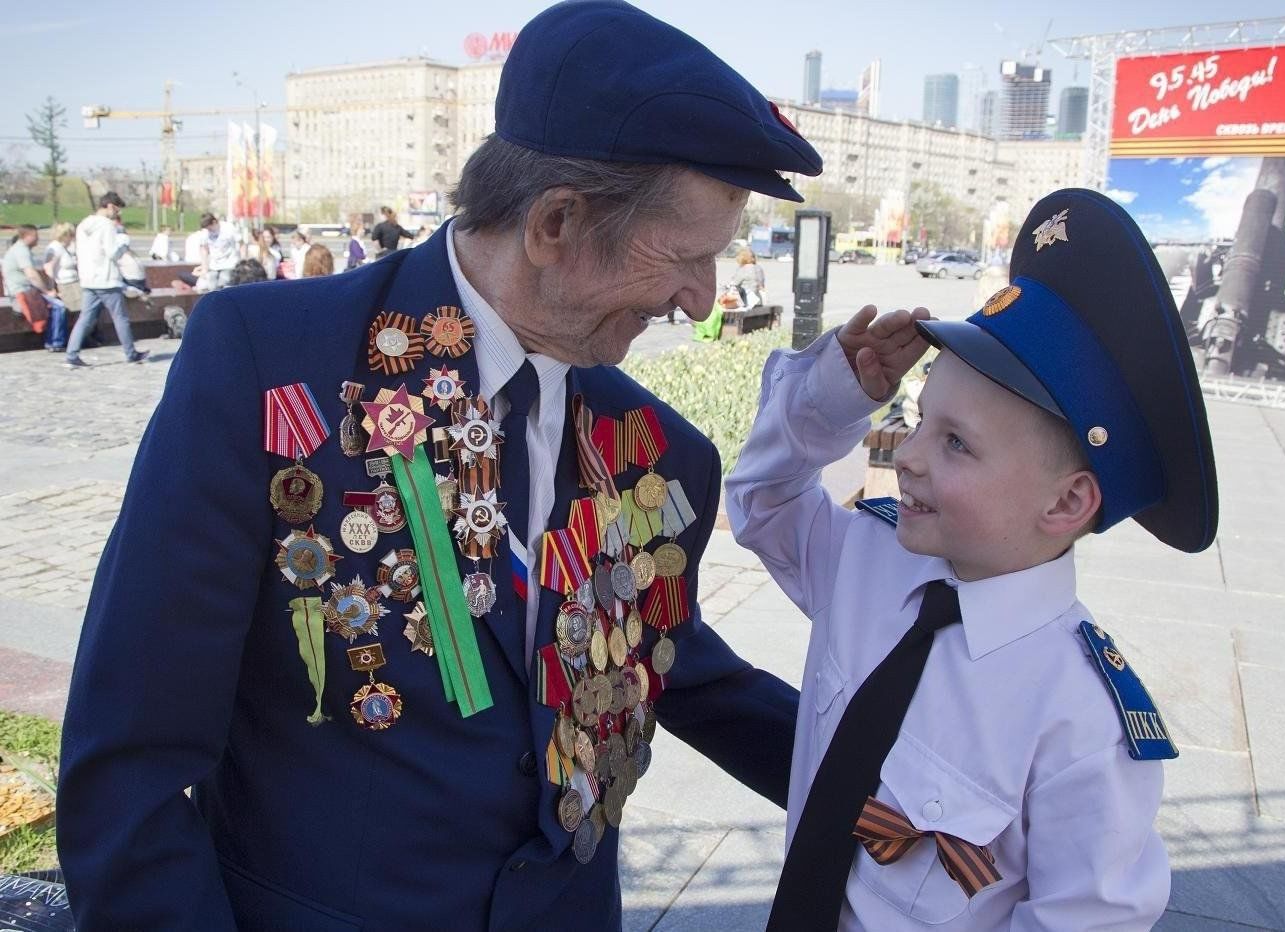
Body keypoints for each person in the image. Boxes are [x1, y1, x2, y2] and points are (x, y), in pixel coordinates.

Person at [56, 2, 823, 928]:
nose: (701, 301)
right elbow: (129, 761)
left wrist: (889, 789)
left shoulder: (661, 452)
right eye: (686, 258)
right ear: (557, 223)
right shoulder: (270, 365)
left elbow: (660, 656)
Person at [728, 188, 1219, 930]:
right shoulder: (869, 558)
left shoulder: (1080, 721)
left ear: (1065, 504)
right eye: (920, 420)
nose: (911, 456)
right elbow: (762, 500)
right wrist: (834, 394)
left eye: (957, 443)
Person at [65, 193, 148, 368]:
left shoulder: (83, 224)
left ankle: (72, 354)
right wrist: (123, 243)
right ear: (110, 206)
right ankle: (131, 353)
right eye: (117, 210)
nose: (117, 214)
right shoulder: (107, 225)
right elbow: (113, 253)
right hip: (106, 279)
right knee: (120, 318)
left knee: (85, 318)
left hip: (88, 278)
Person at [4, 224, 65, 351]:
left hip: (24, 290)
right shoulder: (21, 250)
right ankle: (55, 342)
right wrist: (47, 291)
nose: (38, 239)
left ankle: (54, 341)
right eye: (36, 236)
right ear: (28, 236)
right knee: (59, 307)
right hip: (22, 292)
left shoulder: (20, 249)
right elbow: (31, 275)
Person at [44, 223, 81, 340]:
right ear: (66, 235)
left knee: (83, 311)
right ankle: (77, 338)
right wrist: (52, 287)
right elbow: (48, 268)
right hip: (65, 285)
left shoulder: (64, 247)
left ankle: (80, 337)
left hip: (74, 283)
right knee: (80, 311)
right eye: (72, 235)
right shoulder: (55, 247)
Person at [198, 212, 240, 291]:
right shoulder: (205, 232)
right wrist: (204, 267)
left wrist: (242, 261)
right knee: (212, 287)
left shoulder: (228, 228)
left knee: (223, 285)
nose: (209, 231)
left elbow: (241, 243)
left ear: (214, 222)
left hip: (229, 263)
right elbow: (204, 249)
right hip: (214, 265)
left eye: (210, 228)